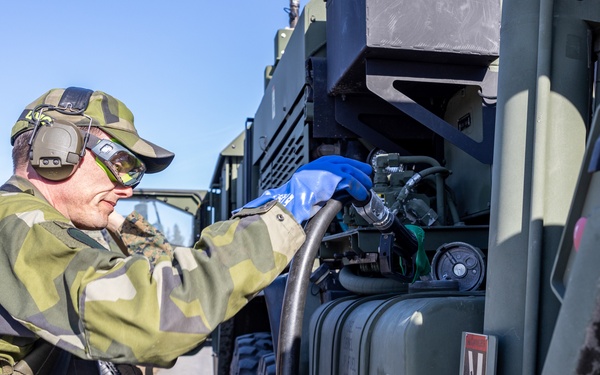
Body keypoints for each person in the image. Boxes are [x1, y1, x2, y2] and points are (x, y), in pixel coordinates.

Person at [0, 87, 373, 374]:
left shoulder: (37, 224)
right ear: (57, 148)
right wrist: (278, 217)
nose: (128, 188)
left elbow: (160, 272)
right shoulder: (18, 227)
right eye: (121, 163)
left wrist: (118, 223)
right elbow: (159, 315)